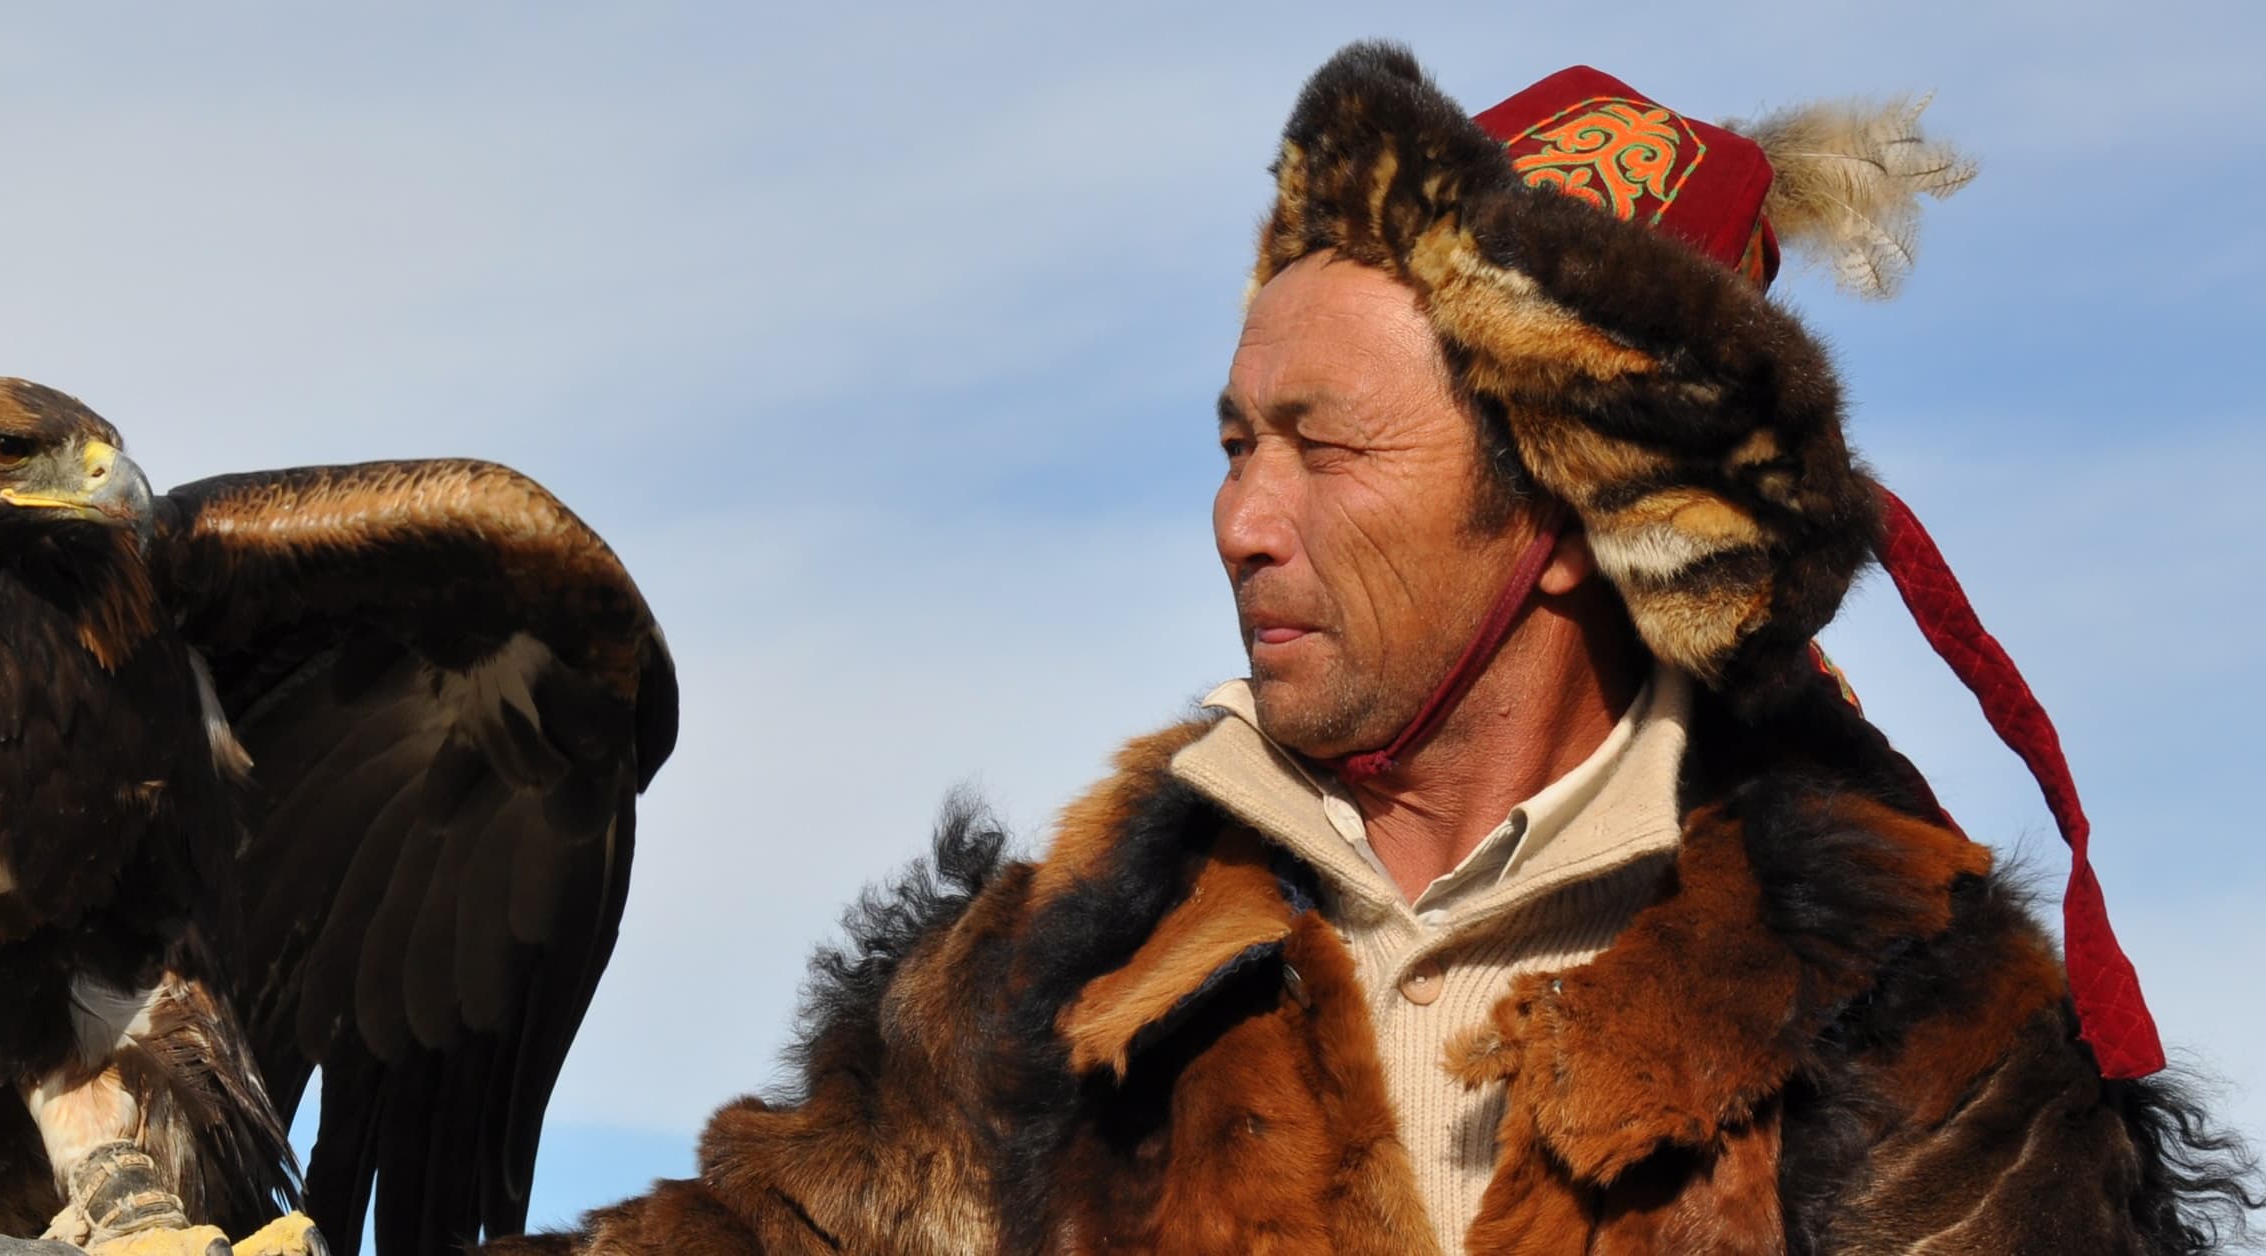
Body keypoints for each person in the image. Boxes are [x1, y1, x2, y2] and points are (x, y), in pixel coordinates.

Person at [494, 42, 2258, 1255]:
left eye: (1322, 451)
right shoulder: (1083, 958)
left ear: (1570, 526)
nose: (1240, 521)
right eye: (1233, 444)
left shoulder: (1894, 993)